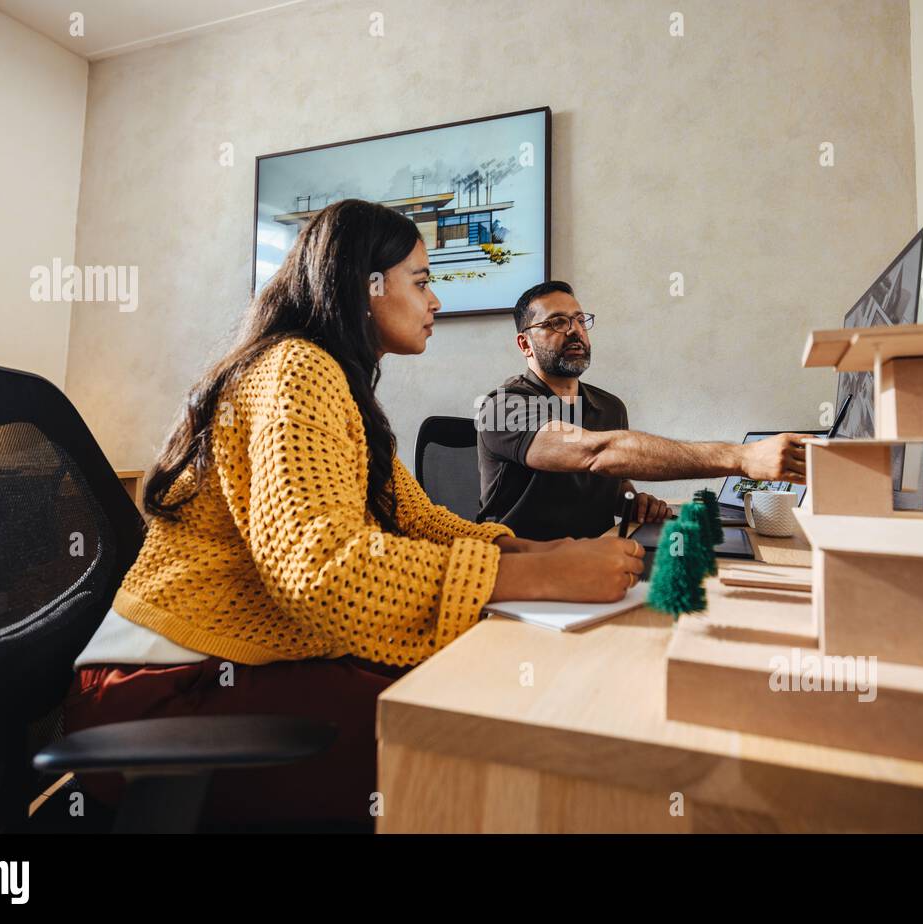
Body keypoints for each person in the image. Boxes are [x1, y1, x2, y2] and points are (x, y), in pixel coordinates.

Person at [63, 201, 644, 827]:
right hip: (161, 693)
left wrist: (535, 553)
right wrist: (544, 577)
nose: (436, 302)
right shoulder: (293, 369)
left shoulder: (338, 386)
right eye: (421, 282)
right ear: (364, 284)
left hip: (241, 664)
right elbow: (325, 569)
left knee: (472, 690)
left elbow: (422, 521)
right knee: (462, 731)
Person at [476, 281, 808, 541]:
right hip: (524, 569)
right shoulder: (504, 407)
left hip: (601, 555)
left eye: (579, 320)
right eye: (556, 322)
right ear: (525, 344)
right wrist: (742, 458)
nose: (574, 330)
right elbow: (598, 453)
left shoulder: (609, 406)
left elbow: (612, 480)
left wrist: (632, 501)